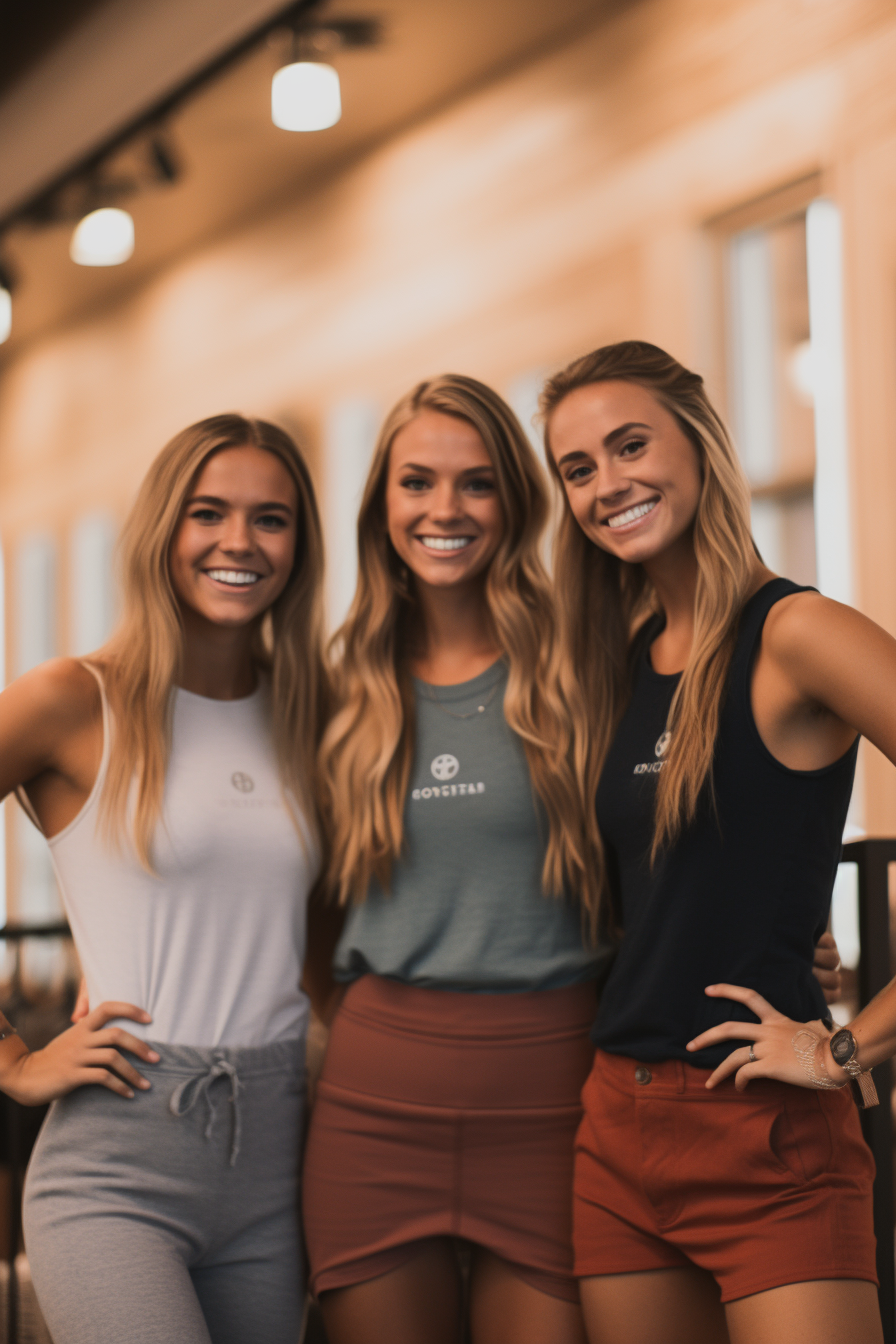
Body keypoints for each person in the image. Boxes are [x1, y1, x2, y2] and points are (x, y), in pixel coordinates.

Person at [540, 341, 884, 1344]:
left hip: (765, 1133)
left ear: (696, 442)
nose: (607, 484)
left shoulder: (794, 633)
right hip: (615, 1128)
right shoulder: (618, 664)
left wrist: (844, 1044)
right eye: (577, 469)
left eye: (628, 444)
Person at [0, 414, 326, 1344]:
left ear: (299, 546)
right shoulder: (75, 698)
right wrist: (12, 1060)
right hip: (118, 1162)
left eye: (271, 518)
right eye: (207, 512)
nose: (239, 542)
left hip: (276, 1157)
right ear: (161, 532)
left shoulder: (309, 711)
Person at [302, 374, 605, 1344]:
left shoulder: (583, 669)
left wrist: (784, 929)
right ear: (380, 503)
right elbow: (301, 907)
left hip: (555, 1099)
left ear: (514, 502)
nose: (443, 509)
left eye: (475, 484)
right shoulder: (334, 690)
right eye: (415, 482)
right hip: (373, 1104)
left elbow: (671, 836)